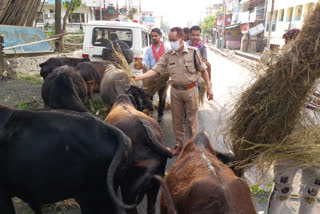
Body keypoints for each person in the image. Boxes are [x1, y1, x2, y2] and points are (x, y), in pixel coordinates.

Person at [132, 27, 213, 156]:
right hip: (175, 91)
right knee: (177, 119)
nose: (171, 42)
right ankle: (179, 145)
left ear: (181, 39)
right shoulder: (168, 55)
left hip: (191, 90)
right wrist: (140, 77)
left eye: (173, 40)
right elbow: (156, 69)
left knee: (193, 120)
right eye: (170, 40)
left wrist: (209, 87)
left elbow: (203, 70)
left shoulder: (193, 52)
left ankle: (194, 146)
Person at [267, 28, 320, 214]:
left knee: (310, 195)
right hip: (289, 144)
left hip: (316, 150)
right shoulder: (287, 73)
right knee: (283, 191)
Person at [141, 28, 170, 122]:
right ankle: (150, 111)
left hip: (163, 77)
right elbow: (145, 61)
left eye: (156, 36)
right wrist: (143, 65)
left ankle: (160, 114)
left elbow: (171, 61)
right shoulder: (148, 50)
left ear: (160, 36)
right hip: (152, 77)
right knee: (149, 96)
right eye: (152, 36)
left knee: (162, 96)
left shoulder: (167, 49)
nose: (154, 37)